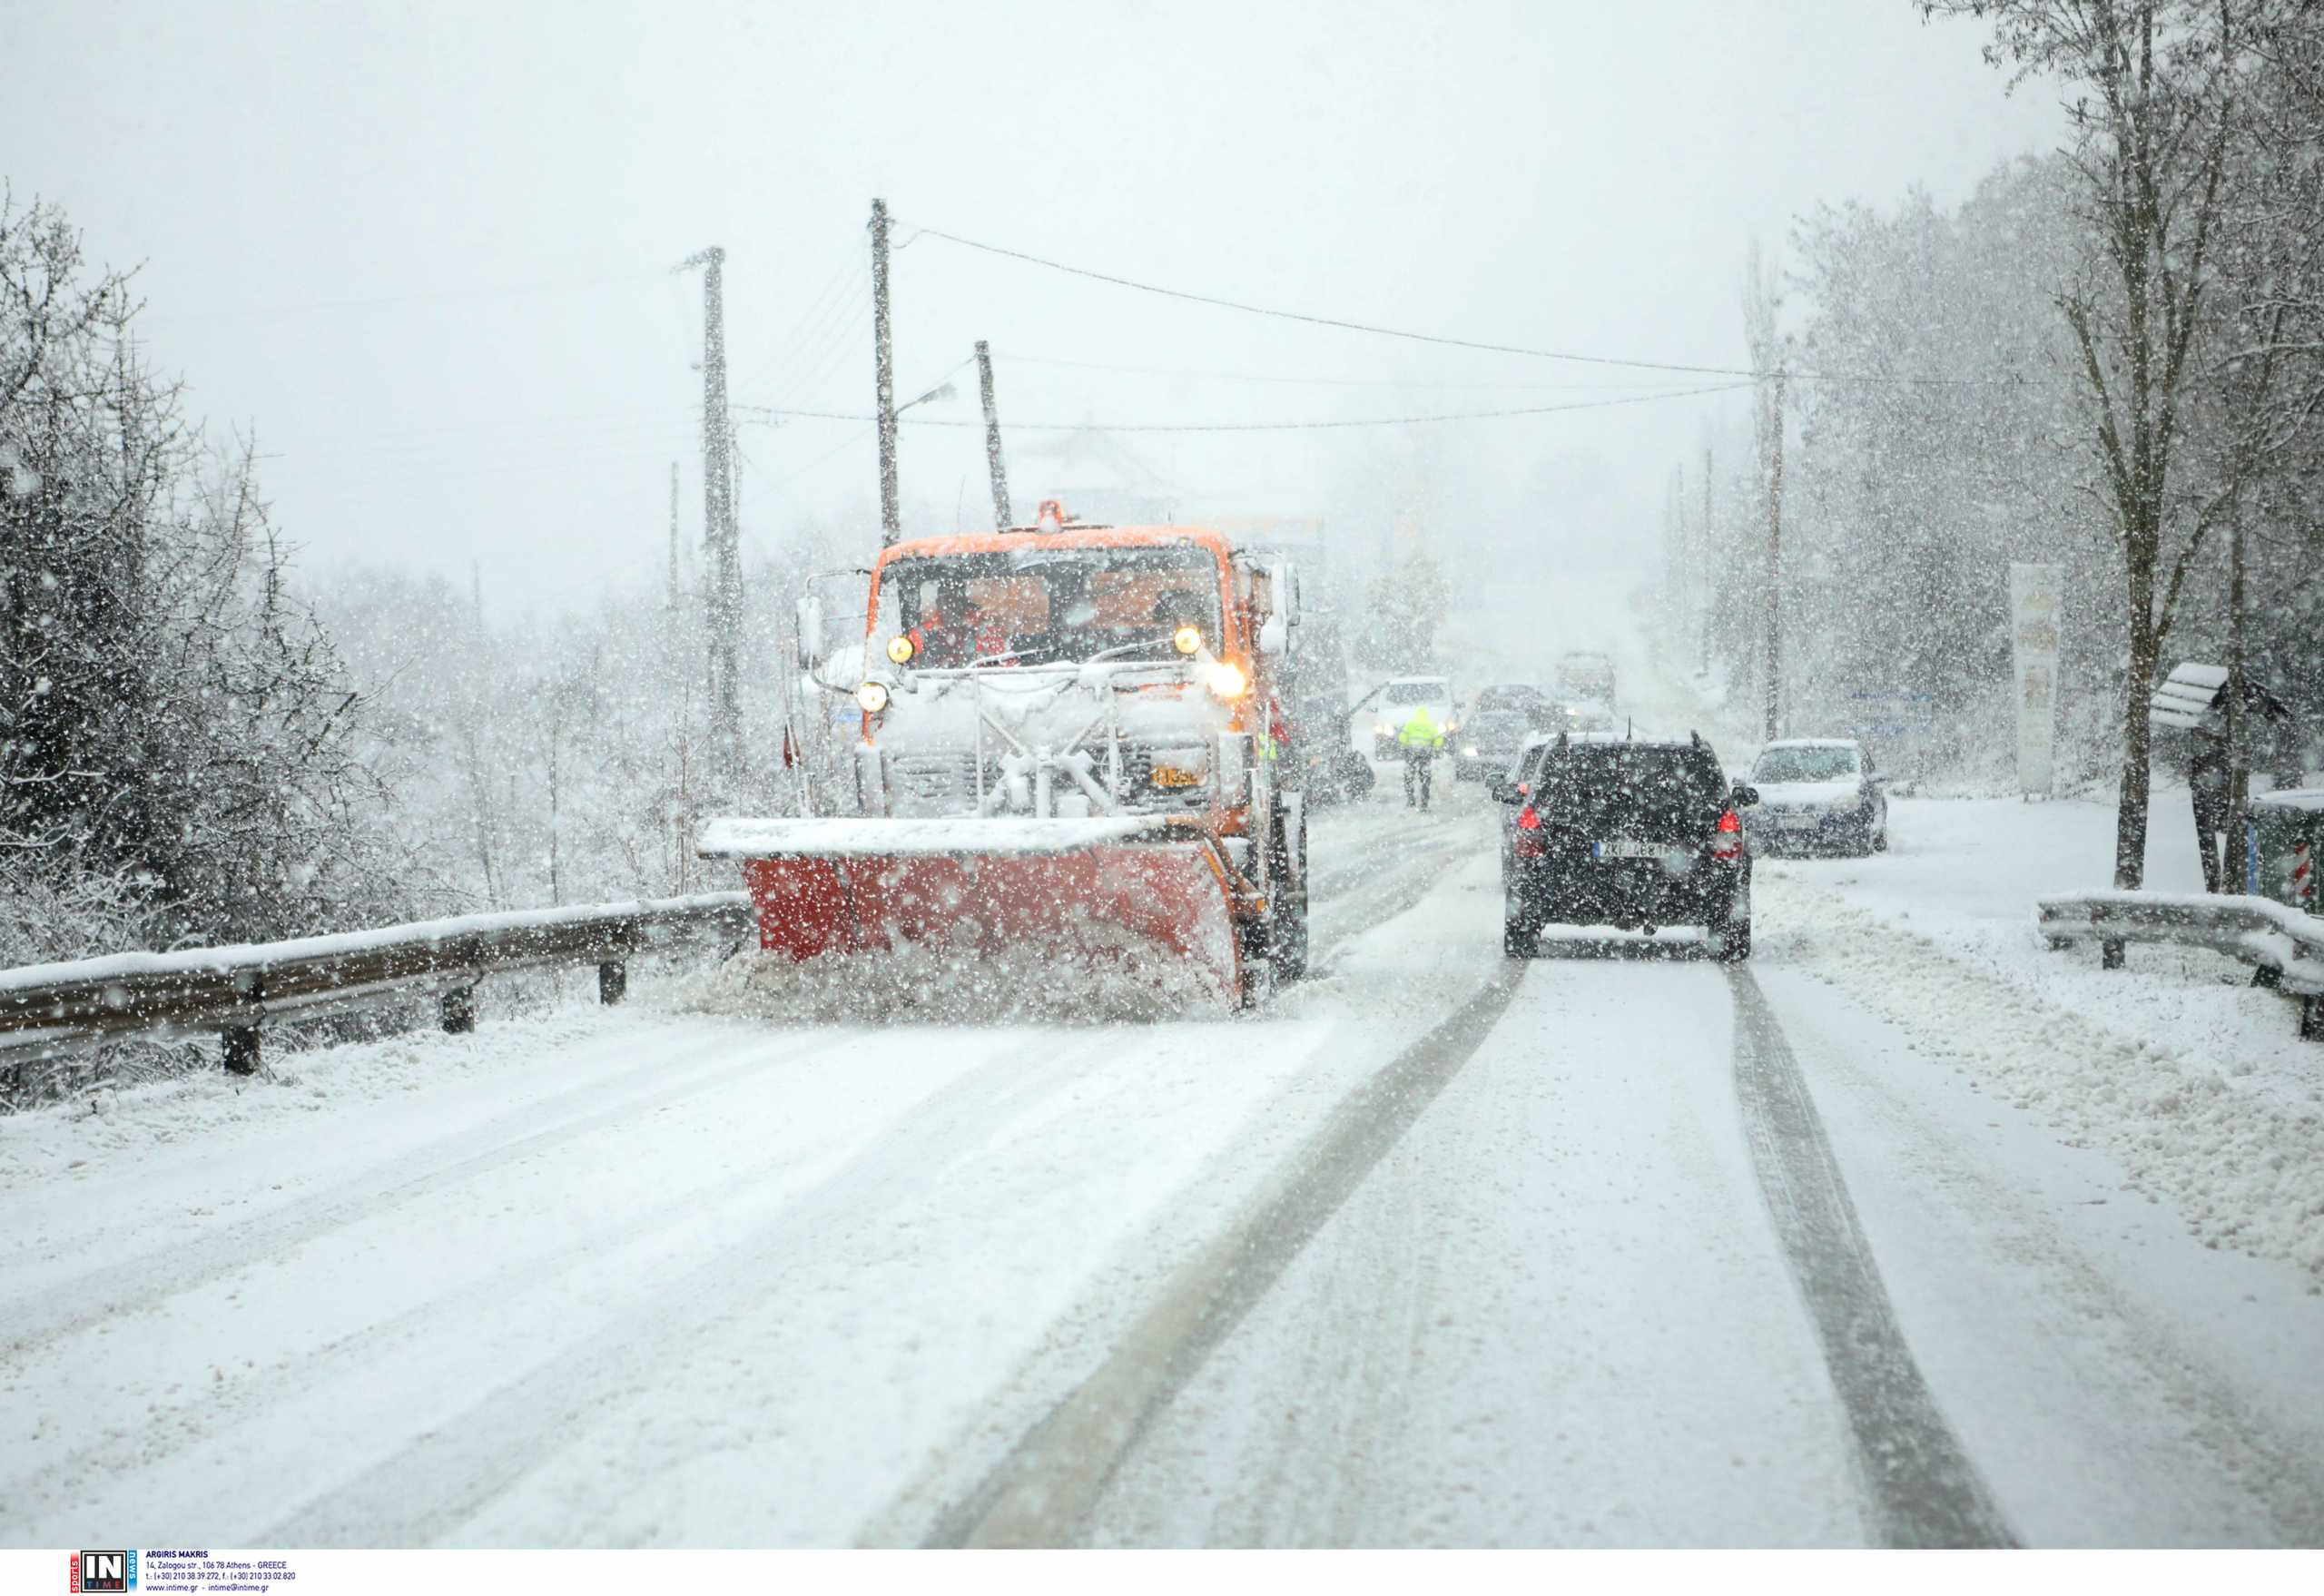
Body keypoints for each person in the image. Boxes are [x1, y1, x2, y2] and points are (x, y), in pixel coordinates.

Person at [1397, 703, 1446, 810]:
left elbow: (1402, 737)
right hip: (1425, 752)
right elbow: (1439, 739)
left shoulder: (1410, 724)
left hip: (1411, 752)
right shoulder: (1431, 725)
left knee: (1409, 774)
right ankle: (1424, 800)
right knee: (1425, 775)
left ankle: (1410, 798)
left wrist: (1405, 745)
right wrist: (1435, 747)